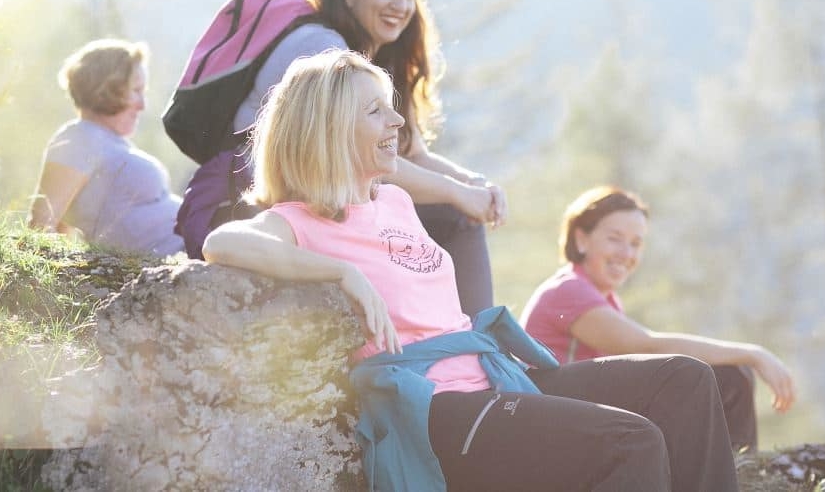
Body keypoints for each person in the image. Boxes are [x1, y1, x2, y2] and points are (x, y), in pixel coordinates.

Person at [203, 50, 739, 492]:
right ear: (326, 130)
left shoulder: (393, 201)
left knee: (685, 379)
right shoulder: (295, 220)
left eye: (391, 108)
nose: (395, 123)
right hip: (438, 411)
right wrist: (340, 272)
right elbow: (221, 241)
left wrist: (467, 192)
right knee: (631, 441)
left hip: (495, 377)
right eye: (374, 113)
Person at [179, 0, 504, 317]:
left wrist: (474, 185)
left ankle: (462, 337)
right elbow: (356, 158)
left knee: (451, 212)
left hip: (323, 201)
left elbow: (412, 152)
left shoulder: (371, 62)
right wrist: (457, 195)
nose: (400, 5)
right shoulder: (323, 51)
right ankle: (479, 340)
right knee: (453, 216)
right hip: (250, 203)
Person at [520, 185, 797, 452]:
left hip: (581, 410)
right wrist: (753, 353)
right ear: (581, 239)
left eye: (636, 243)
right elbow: (645, 346)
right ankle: (736, 473)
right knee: (729, 376)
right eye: (614, 238)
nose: (626, 254)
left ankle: (735, 469)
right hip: (556, 421)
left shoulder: (604, 298)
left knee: (727, 373)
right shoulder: (569, 290)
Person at [28, 39, 184, 256]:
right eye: (136, 90)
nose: (142, 105)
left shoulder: (107, 141)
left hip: (192, 246)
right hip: (179, 255)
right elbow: (42, 224)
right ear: (107, 88)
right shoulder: (79, 137)